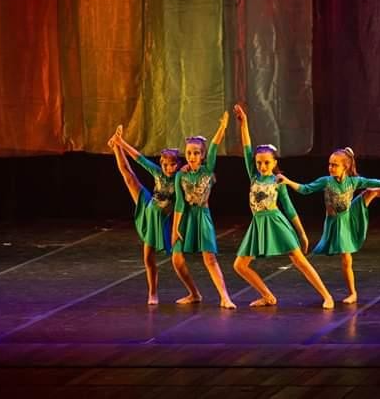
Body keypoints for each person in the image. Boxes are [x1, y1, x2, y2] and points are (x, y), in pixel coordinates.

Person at [277, 148, 380, 304]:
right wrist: (288, 181)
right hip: (336, 222)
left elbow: (379, 183)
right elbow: (305, 189)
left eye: (335, 165)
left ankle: (353, 293)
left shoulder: (354, 181)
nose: (331, 167)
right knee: (371, 192)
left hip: (349, 217)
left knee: (371, 193)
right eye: (330, 164)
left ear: (345, 167)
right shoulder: (326, 181)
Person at [232, 105, 334, 309]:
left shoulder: (278, 180)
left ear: (274, 162)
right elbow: (246, 148)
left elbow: (289, 208)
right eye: (259, 163)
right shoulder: (254, 176)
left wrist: (302, 234)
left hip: (276, 222)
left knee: (299, 260)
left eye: (266, 163)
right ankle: (268, 296)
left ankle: (327, 296)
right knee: (240, 265)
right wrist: (244, 124)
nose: (262, 166)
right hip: (258, 225)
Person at [108, 125, 182, 305]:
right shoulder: (158, 172)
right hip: (149, 208)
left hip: (162, 219)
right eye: (165, 165)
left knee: (159, 258)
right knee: (129, 177)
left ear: (178, 164)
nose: (168, 168)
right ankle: (116, 146)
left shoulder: (181, 178)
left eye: (172, 165)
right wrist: (122, 143)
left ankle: (177, 292)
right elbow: (139, 158)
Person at [171, 112, 236, 309]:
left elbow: (214, 145)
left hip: (202, 216)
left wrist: (222, 127)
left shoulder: (207, 170)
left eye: (196, 153)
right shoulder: (180, 175)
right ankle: (193, 293)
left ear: (202, 155)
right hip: (185, 217)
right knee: (177, 259)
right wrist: (175, 229)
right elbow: (179, 203)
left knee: (209, 258)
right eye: (189, 153)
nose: (192, 156)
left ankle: (225, 297)